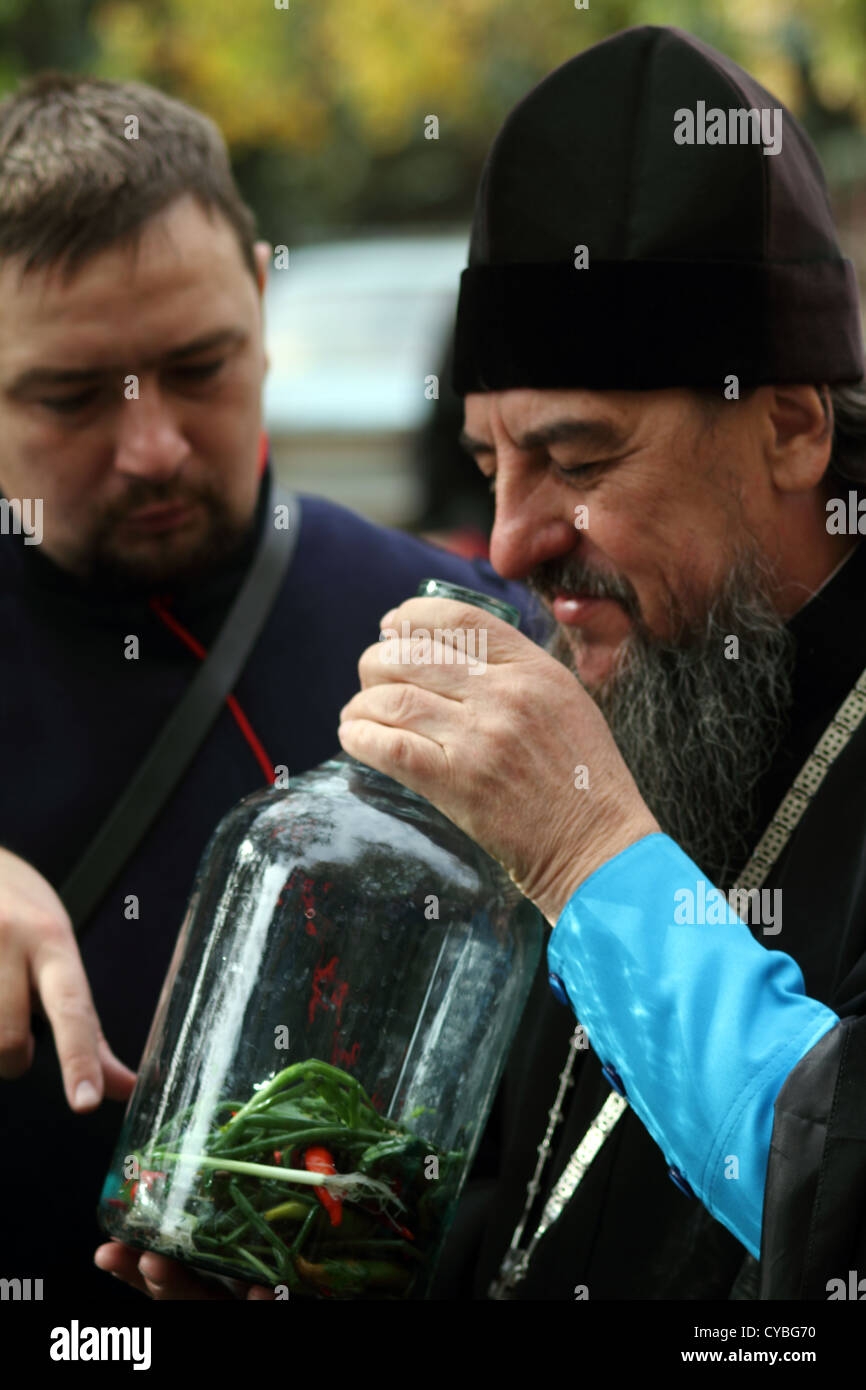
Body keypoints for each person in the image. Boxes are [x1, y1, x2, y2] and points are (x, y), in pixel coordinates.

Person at [337, 26, 866, 1300]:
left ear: (790, 424)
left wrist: (587, 856)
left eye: (578, 462)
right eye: (488, 467)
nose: (510, 541)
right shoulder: (640, 680)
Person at [0, 70, 540, 1303]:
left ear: (257, 290)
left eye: (200, 365)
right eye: (73, 395)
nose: (153, 445)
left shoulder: (459, 644)